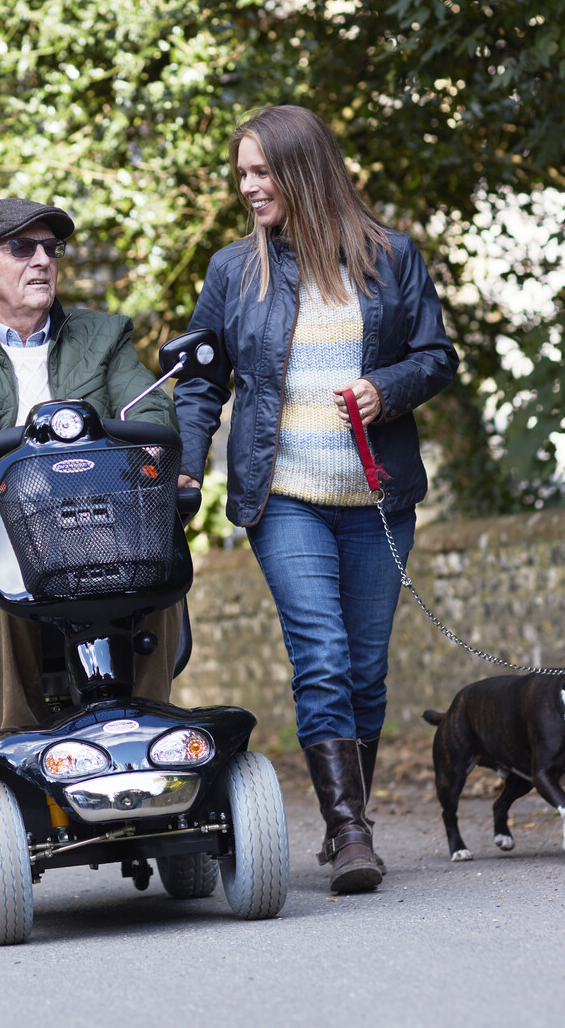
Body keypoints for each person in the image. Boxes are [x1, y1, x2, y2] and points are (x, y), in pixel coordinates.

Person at [175, 106, 457, 895]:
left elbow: (438, 357)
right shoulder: (236, 271)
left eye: (261, 172)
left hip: (376, 499)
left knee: (367, 670)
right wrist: (187, 472)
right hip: (284, 493)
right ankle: (349, 828)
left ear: (303, 170)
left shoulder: (393, 258)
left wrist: (386, 389)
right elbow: (201, 380)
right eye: (242, 174)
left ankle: (348, 818)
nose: (248, 187)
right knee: (323, 657)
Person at [0, 197, 184, 732]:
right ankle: (18, 739)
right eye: (21, 247)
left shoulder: (105, 335)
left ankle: (146, 729)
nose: (42, 260)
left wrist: (152, 447)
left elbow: (145, 403)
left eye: (51, 248)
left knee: (157, 550)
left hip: (95, 514)